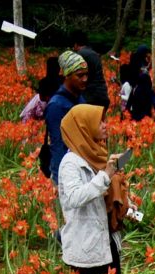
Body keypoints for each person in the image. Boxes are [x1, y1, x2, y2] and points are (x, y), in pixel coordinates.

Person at [57, 105, 128, 274]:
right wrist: (105, 175)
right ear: (84, 128)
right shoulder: (70, 163)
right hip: (86, 244)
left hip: (106, 238)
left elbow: (105, 195)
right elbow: (72, 198)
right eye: (100, 122)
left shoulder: (95, 154)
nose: (105, 126)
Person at [45, 51, 88, 186]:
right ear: (67, 76)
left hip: (82, 165)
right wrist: (60, 182)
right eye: (80, 75)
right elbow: (57, 145)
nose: (85, 79)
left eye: (87, 74)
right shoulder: (56, 105)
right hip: (67, 173)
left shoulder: (79, 97)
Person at [71, 31, 109, 108]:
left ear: (75, 44)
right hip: (102, 94)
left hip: (90, 97)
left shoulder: (81, 54)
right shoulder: (93, 53)